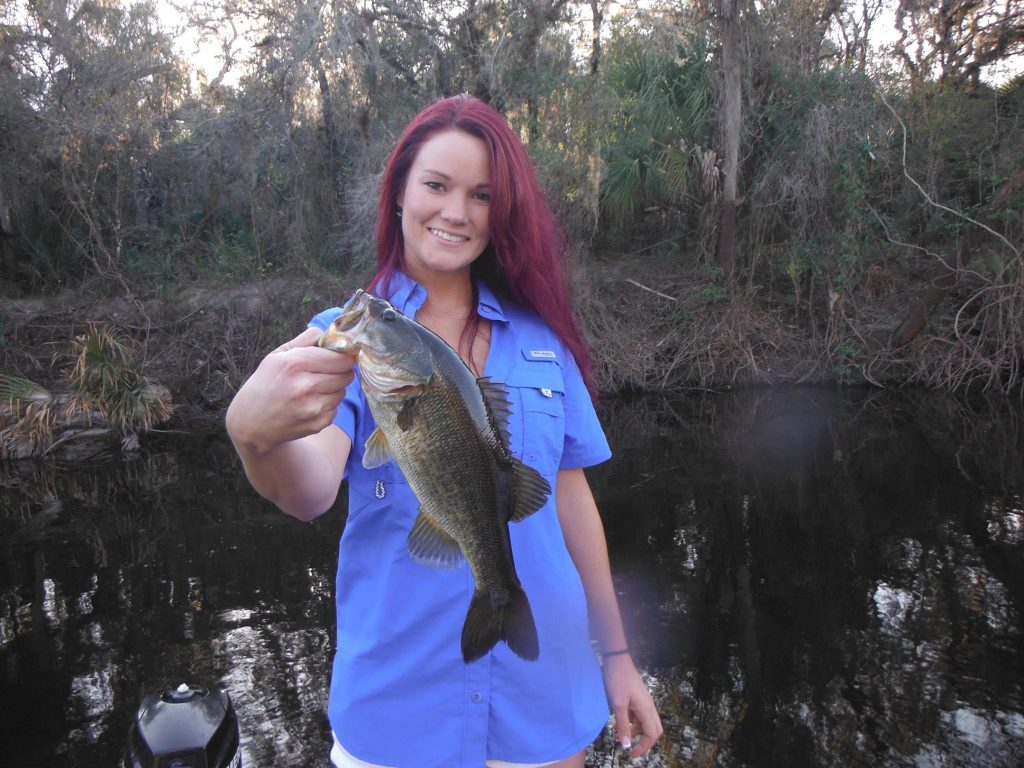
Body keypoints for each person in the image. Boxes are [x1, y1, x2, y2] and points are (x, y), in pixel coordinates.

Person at [225, 94, 662, 768]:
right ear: (399, 192)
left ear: (501, 213)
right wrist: (253, 435)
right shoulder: (344, 337)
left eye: (482, 195)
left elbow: (573, 507)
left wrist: (621, 656)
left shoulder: (545, 343)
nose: (456, 212)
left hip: (545, 700)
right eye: (436, 185)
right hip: (397, 713)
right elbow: (308, 490)